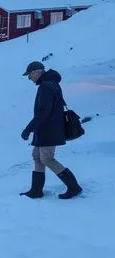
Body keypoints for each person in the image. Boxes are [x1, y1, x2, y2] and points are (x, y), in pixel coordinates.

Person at [20, 61, 82, 199]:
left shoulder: (46, 87)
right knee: (37, 156)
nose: (30, 79)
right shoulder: (51, 84)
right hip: (46, 128)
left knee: (47, 159)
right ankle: (36, 190)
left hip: (49, 129)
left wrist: (28, 129)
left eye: (29, 75)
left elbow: (43, 112)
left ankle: (74, 187)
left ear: (36, 72)